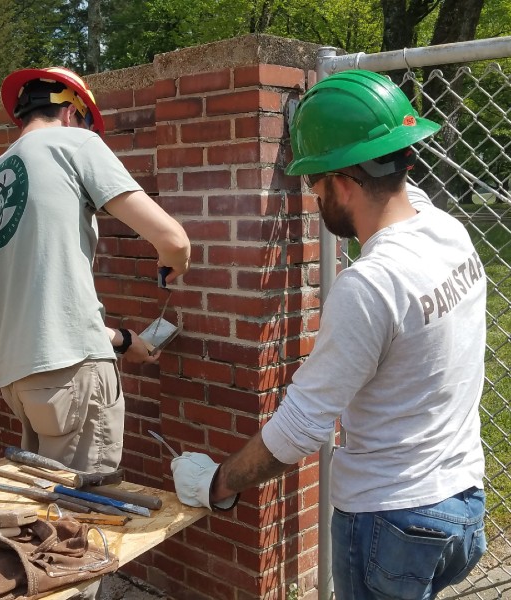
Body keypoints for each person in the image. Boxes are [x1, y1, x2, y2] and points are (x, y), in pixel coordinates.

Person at [171, 70, 487, 600]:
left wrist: (218, 484)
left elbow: (301, 427)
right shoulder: (446, 231)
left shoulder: (371, 283)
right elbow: (399, 178)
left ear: (342, 182)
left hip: (393, 523)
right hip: (462, 507)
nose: (314, 196)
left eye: (314, 182)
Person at [0, 66, 191, 474]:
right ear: (72, 113)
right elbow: (173, 240)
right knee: (81, 517)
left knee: (45, 507)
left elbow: (43, 300)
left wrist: (122, 340)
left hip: (20, 378)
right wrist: (175, 265)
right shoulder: (74, 144)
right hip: (72, 376)